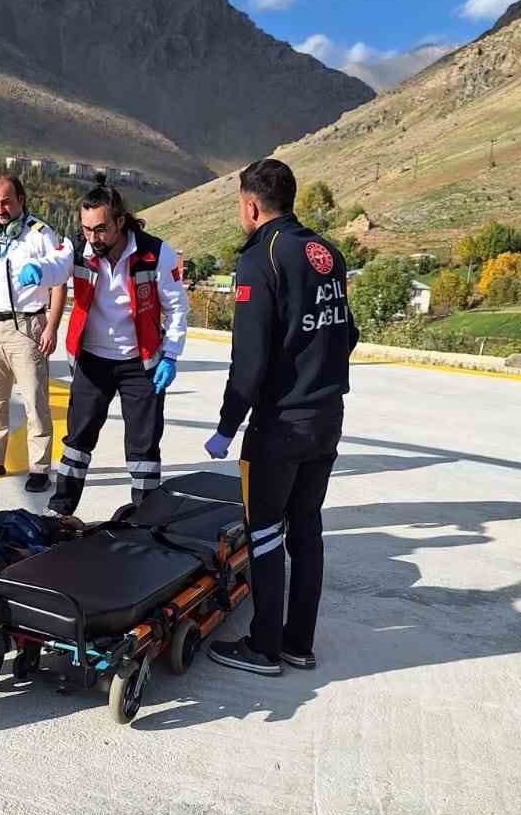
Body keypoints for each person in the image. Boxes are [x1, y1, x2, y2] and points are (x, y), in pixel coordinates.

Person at [203, 159, 358, 677]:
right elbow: (347, 333)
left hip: (281, 425)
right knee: (307, 529)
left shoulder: (260, 259)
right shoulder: (326, 255)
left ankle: (264, 646)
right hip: (327, 416)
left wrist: (228, 426)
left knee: (265, 532)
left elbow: (249, 360)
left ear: (251, 205)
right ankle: (299, 643)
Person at [47, 175, 188, 517]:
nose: (92, 237)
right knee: (77, 443)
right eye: (86, 229)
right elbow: (56, 264)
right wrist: (37, 270)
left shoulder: (156, 254)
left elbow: (177, 307)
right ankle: (60, 511)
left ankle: (145, 517)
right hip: (92, 361)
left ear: (120, 221)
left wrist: (170, 356)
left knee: (143, 447)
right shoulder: (78, 249)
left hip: (140, 364)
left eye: (100, 229)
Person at [0, 173, 72, 492]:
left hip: (27, 327)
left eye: (6, 202)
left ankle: (39, 467)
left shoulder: (40, 234)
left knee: (35, 401)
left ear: (21, 200)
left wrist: (51, 328)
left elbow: (59, 284)